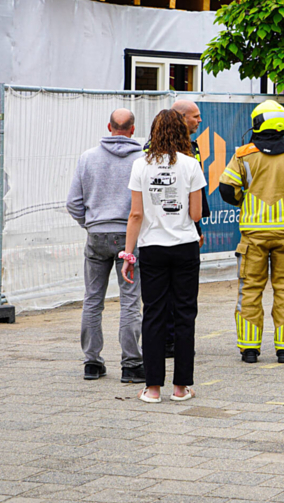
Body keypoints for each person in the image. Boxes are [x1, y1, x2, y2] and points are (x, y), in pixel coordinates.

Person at [218, 100, 284, 364]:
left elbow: (227, 189)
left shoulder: (243, 154)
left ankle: (249, 349)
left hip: (253, 236)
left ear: (257, 122)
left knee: (249, 289)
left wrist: (246, 199)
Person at [121, 109, 206, 402]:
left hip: (152, 247)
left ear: (153, 132)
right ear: (182, 133)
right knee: (185, 315)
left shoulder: (140, 165)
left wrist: (128, 254)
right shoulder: (191, 164)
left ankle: (153, 388)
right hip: (184, 246)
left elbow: (135, 214)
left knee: (153, 314)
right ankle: (181, 387)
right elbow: (196, 213)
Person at [67, 108, 145, 383]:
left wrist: (90, 224)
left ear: (109, 127)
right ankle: (132, 365)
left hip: (97, 236)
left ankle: (92, 362)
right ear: (133, 129)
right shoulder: (143, 159)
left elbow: (73, 203)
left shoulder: (88, 158)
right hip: (130, 237)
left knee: (92, 300)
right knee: (131, 301)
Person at [161, 98, 210, 358]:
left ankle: (177, 340)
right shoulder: (155, 149)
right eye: (195, 116)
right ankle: (168, 340)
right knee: (166, 293)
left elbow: (197, 191)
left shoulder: (193, 147)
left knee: (183, 294)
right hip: (165, 230)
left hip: (188, 227)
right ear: (180, 118)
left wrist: (198, 225)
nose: (199, 120)